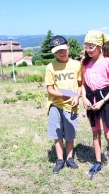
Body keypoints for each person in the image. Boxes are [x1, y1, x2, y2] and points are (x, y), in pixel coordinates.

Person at [81, 30, 109, 177]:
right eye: (86, 46)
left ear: (99, 46)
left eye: (91, 47)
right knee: (95, 133)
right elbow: (81, 84)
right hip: (90, 98)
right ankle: (98, 161)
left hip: (104, 99)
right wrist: (84, 98)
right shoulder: (84, 63)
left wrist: (102, 101)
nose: (87, 50)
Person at [45, 35, 82, 174]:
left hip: (71, 105)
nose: (61, 53)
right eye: (57, 51)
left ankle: (70, 158)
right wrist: (61, 95)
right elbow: (49, 88)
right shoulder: (51, 67)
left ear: (68, 46)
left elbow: (80, 84)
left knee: (70, 133)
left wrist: (77, 96)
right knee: (57, 133)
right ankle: (60, 160)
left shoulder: (77, 65)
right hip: (55, 104)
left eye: (63, 49)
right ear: (54, 52)